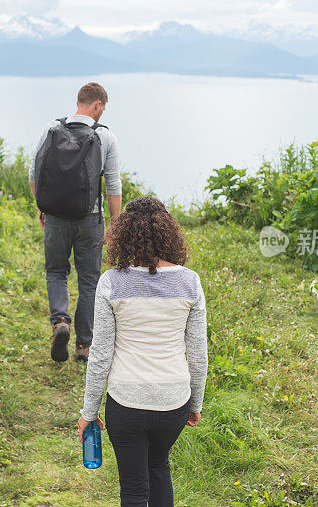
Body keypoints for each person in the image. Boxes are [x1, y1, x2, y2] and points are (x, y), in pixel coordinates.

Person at [78, 197, 208, 507]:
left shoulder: (111, 282)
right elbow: (198, 354)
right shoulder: (190, 282)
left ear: (123, 234)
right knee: (159, 466)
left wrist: (89, 412)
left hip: (126, 403)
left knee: (134, 490)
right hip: (173, 402)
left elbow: (100, 354)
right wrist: (195, 402)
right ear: (169, 233)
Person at [29, 82, 122, 363]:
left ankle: (60, 322)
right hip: (89, 220)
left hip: (55, 217)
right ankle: (84, 346)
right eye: (102, 108)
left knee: (56, 272)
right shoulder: (105, 137)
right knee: (89, 281)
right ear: (97, 105)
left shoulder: (51, 129)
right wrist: (115, 223)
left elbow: (34, 173)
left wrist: (42, 207)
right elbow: (113, 185)